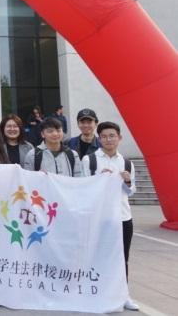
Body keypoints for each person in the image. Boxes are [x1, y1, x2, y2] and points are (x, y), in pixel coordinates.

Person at [81, 121, 138, 311]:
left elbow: (130, 192)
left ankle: (123, 294)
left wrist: (127, 181)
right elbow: (84, 188)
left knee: (122, 257)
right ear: (99, 139)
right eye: (104, 136)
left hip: (123, 217)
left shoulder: (127, 163)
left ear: (119, 138)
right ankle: (98, 293)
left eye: (112, 136)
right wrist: (99, 178)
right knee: (99, 256)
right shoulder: (90, 160)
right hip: (99, 218)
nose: (108, 139)